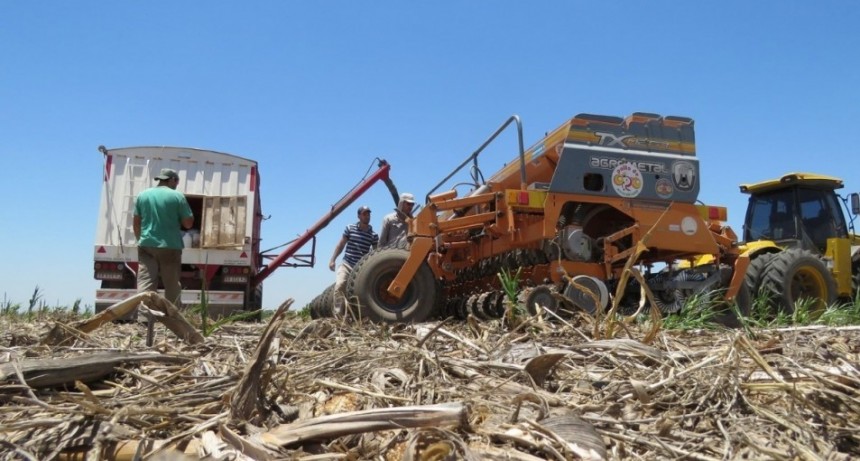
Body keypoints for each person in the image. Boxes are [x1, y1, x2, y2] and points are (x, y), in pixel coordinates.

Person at [133, 168, 194, 310]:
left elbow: (136, 222)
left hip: (146, 244)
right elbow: (188, 223)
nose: (177, 184)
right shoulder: (177, 197)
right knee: (171, 284)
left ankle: (145, 318)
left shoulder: (143, 195)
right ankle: (173, 318)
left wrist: (140, 239)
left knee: (146, 282)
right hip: (170, 245)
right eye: (177, 181)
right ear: (171, 180)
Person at [329, 205, 379, 317]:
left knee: (360, 293)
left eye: (368, 214)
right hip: (347, 263)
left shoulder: (374, 235)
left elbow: (376, 253)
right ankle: (338, 317)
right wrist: (332, 260)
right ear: (359, 216)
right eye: (364, 214)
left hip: (361, 267)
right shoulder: (350, 228)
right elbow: (341, 244)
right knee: (340, 285)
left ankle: (357, 317)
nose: (367, 216)